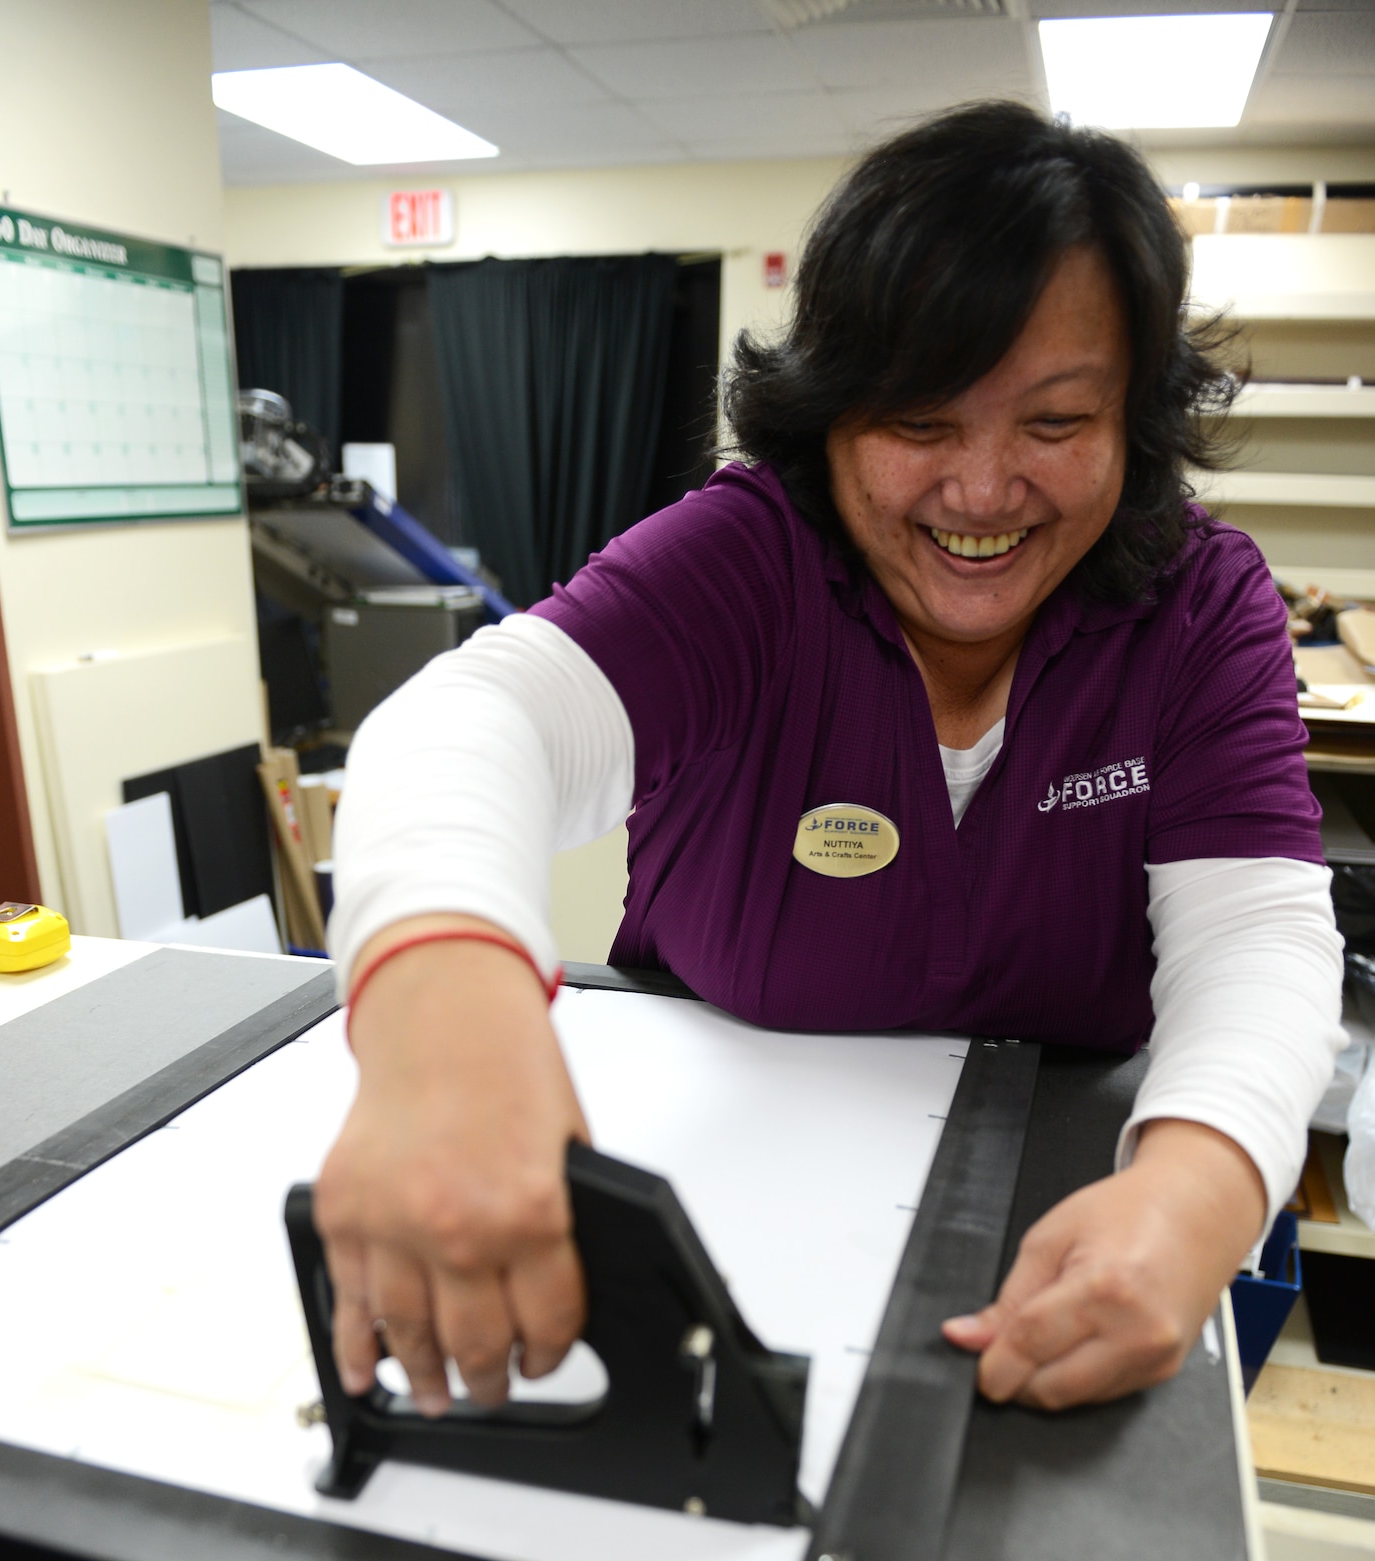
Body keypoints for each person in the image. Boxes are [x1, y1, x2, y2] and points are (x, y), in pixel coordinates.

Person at [316, 101, 1343, 1421]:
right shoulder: (748, 562)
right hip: (723, 1213)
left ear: (1132, 422)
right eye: (919, 422)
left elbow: (1256, 933)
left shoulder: (1197, 606)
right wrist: (444, 1018)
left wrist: (1196, 1187)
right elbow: (472, 723)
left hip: (1059, 1207)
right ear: (831, 416)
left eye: (1053, 422)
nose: (980, 492)